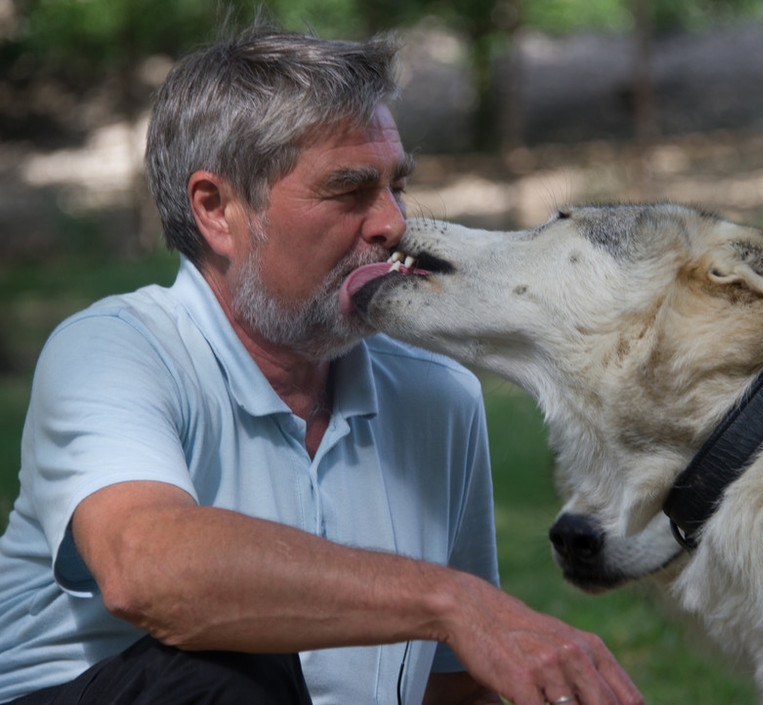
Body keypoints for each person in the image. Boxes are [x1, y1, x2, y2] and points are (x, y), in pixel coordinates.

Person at [0, 23, 644, 705]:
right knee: (226, 673)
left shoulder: (440, 396)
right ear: (217, 210)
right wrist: (451, 599)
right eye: (349, 191)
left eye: (398, 185)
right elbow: (145, 568)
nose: (393, 222)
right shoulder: (115, 350)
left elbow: (449, 686)